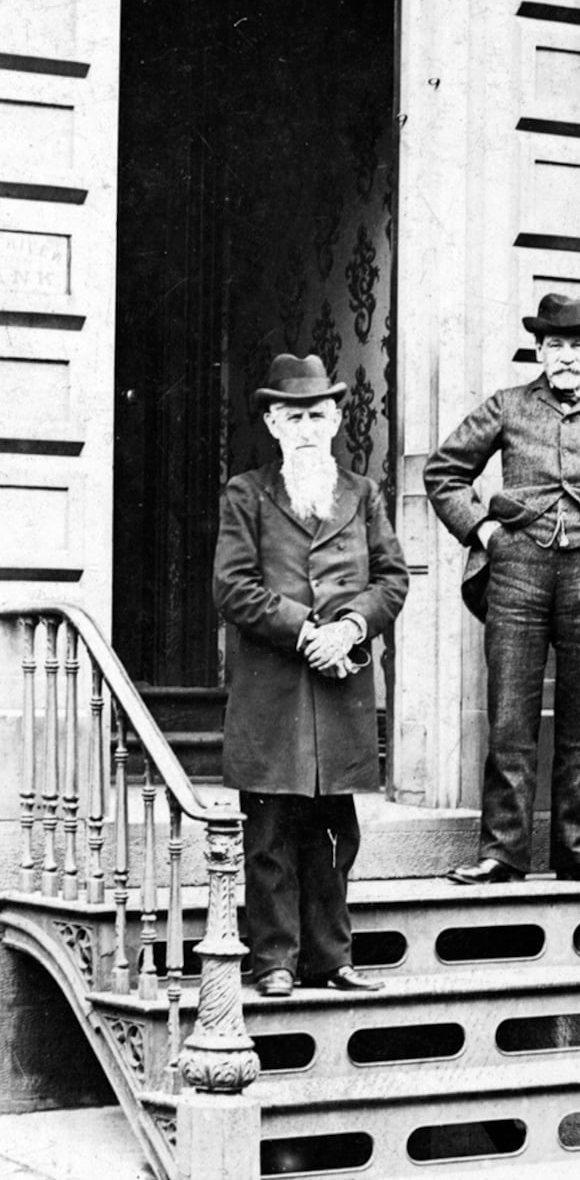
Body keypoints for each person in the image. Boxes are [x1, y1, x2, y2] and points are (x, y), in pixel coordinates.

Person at [424, 292, 580, 884]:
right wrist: (484, 529)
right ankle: (502, 852)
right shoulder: (508, 407)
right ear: (539, 350)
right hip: (518, 571)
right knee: (510, 716)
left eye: (577, 345)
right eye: (555, 345)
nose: (566, 356)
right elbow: (444, 472)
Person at [214, 352, 409, 999]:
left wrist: (350, 628)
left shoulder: (362, 493)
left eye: (317, 414)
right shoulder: (247, 493)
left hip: (339, 692)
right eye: (292, 415)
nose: (306, 427)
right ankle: (272, 960)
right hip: (272, 693)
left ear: (334, 419)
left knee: (334, 832)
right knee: (269, 833)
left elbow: (392, 579)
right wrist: (306, 631)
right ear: (273, 421)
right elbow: (233, 587)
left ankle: (330, 957)